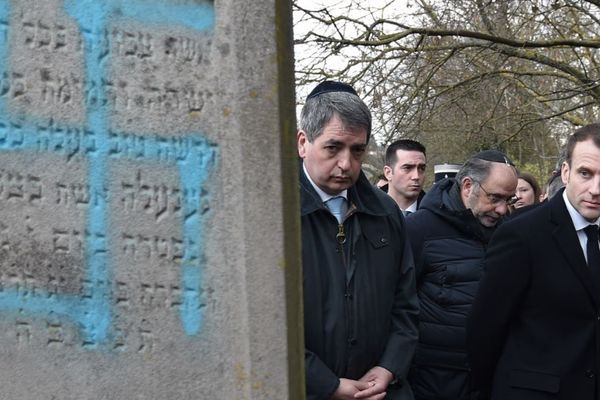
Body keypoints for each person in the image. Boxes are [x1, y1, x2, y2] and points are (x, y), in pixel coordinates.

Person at [298, 81, 419, 400]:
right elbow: (263, 323)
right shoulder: (273, 214)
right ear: (303, 143)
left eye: (357, 150)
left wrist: (389, 367)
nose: (346, 164)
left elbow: (405, 304)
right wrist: (328, 385)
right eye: (333, 147)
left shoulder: (385, 213)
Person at [467, 123, 600, 400]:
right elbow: (485, 328)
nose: (596, 189)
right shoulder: (521, 234)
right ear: (565, 172)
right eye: (585, 174)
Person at [405, 150, 518, 400]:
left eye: (508, 200)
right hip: (433, 379)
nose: (501, 209)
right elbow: (398, 302)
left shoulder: (510, 233)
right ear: (468, 186)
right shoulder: (420, 229)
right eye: (495, 198)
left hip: (493, 375)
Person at [383, 139, 427, 215]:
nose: (416, 176)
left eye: (421, 168)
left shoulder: (437, 217)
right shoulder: (366, 216)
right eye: (407, 168)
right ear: (388, 173)